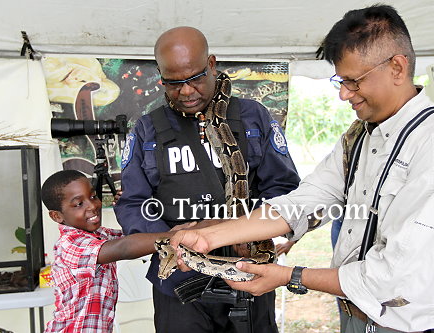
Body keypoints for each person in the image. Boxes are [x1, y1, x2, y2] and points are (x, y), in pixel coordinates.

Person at [171, 5, 434, 333]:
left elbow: (396, 276)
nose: (343, 94)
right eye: (340, 81)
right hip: (355, 316)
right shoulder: (360, 136)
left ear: (397, 67)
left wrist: (289, 276)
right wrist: (207, 236)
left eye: (353, 82)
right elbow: (307, 201)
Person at [113, 26, 300, 333]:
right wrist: (170, 240)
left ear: (212, 64)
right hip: (180, 287)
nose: (186, 91)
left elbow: (285, 190)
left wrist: (266, 236)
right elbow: (134, 205)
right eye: (174, 83)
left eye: (195, 78)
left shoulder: (252, 117)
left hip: (250, 276)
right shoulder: (148, 129)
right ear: (160, 75)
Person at [41, 170, 174, 332]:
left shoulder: (99, 235)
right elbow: (125, 247)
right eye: (78, 204)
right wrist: (176, 236)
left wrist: (127, 206)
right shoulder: (69, 245)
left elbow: (136, 236)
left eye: (93, 197)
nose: (92, 206)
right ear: (56, 216)